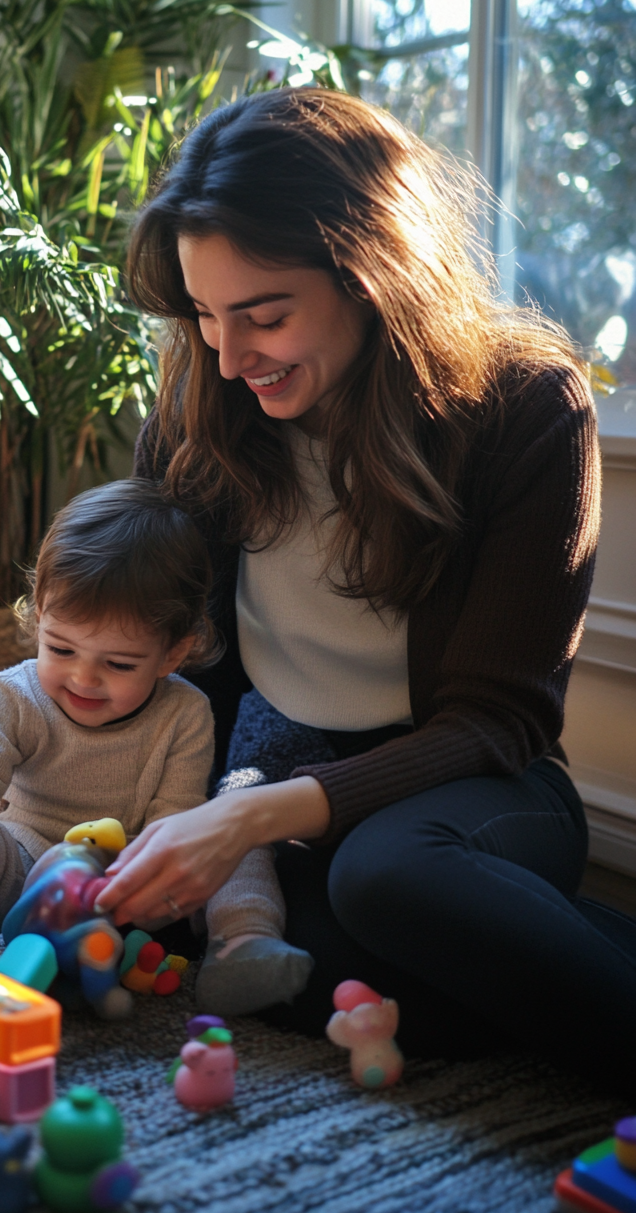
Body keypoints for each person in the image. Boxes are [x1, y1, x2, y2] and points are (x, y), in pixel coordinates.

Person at [78, 86, 636, 1092]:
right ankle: (538, 966)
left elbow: (494, 722)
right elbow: (168, 649)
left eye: (263, 315)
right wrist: (40, 735)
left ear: (370, 273)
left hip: (463, 800)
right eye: (205, 317)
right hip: (273, 771)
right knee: (253, 945)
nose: (227, 354)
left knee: (382, 879)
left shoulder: (523, 412)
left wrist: (247, 820)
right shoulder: (200, 420)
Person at [0, 479, 311, 1005]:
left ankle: (244, 947)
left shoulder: (186, 713)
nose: (83, 678)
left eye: (118, 664)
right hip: (20, 871)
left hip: (128, 888)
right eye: (60, 648)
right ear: (39, 612)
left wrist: (142, 879)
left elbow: (175, 819)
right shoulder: (11, 693)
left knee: (239, 836)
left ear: (174, 653)